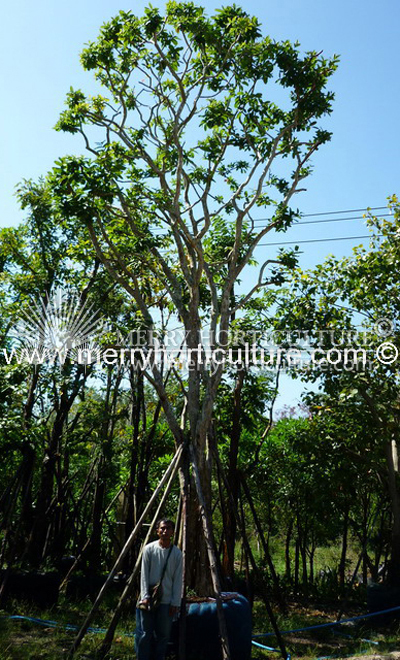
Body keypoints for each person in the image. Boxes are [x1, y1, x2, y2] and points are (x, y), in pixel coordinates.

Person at [136, 519, 183, 660]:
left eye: (168, 528)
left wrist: (175, 602)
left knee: (163, 636)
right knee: (145, 633)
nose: (165, 531)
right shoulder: (149, 549)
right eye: (162, 528)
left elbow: (178, 579)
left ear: (173, 532)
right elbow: (144, 574)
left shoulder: (177, 554)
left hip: (166, 601)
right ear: (157, 531)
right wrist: (145, 596)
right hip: (149, 598)